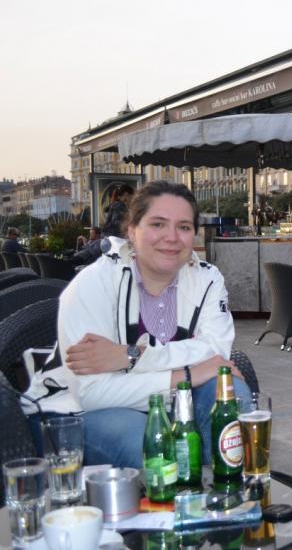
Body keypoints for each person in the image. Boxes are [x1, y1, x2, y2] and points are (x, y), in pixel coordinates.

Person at [21, 181, 252, 468]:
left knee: (232, 399)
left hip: (167, 403)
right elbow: (92, 393)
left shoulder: (207, 278)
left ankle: (225, 491)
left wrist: (129, 356)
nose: (172, 237)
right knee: (149, 442)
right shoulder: (94, 282)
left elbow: (215, 352)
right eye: (157, 224)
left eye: (183, 227)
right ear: (132, 230)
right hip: (72, 411)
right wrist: (187, 374)